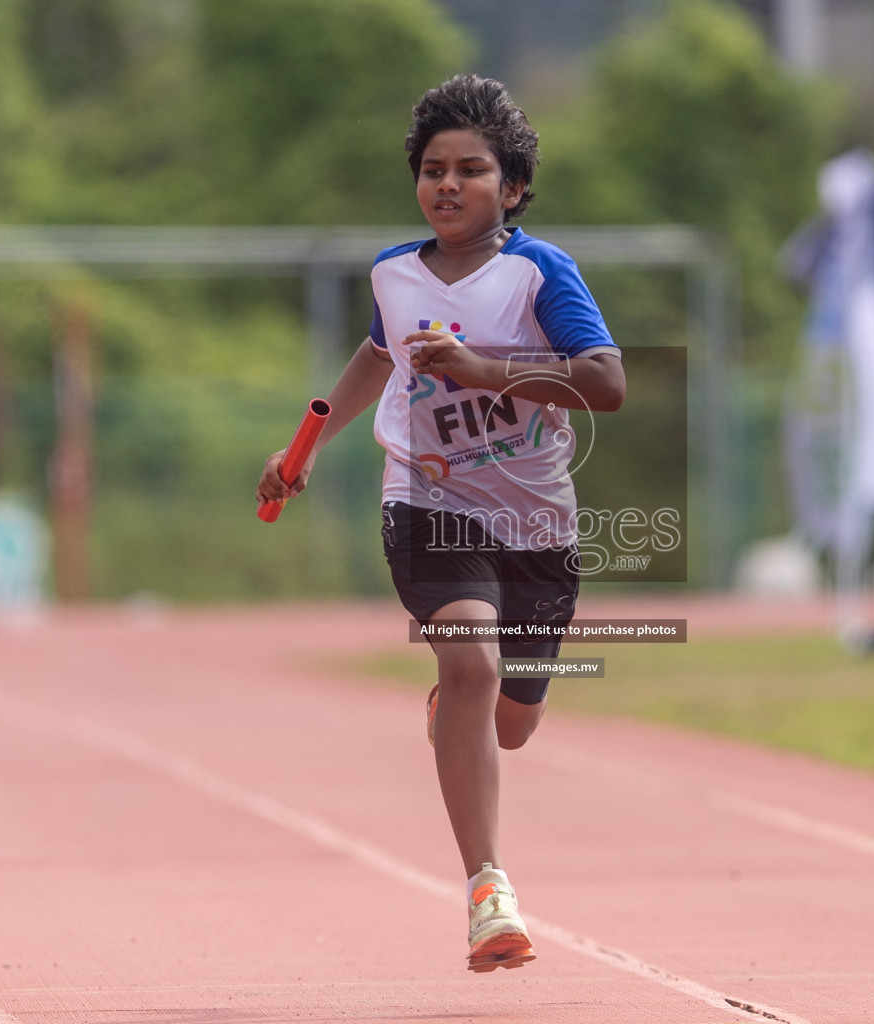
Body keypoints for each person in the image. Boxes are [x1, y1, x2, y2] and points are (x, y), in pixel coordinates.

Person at [257, 74, 625, 973]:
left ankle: (457, 708)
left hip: (536, 523)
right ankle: (488, 890)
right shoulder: (393, 272)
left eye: (470, 169)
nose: (447, 185)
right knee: (469, 658)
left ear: (514, 187)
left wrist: (482, 369)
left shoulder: (540, 274)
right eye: (432, 170)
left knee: (510, 724)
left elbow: (607, 384)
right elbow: (375, 358)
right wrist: (298, 452)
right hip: (429, 504)